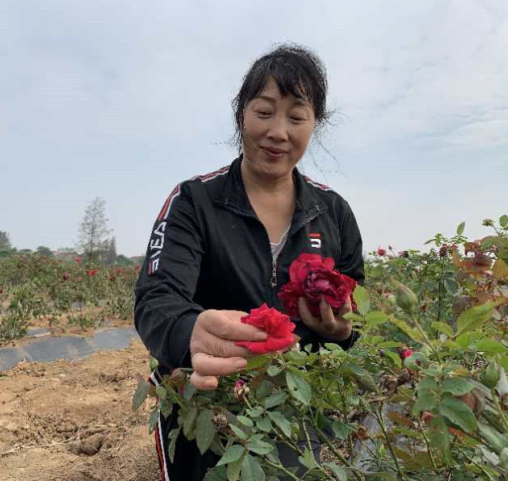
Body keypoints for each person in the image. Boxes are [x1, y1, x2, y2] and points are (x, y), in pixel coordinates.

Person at [134, 44, 365, 481]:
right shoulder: (194, 202)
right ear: (241, 114)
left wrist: (343, 332)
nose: (278, 131)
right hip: (208, 403)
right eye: (264, 112)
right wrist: (191, 334)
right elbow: (156, 299)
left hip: (302, 407)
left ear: (315, 125)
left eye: (296, 117)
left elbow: (361, 306)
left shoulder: (333, 212)